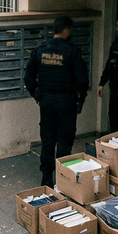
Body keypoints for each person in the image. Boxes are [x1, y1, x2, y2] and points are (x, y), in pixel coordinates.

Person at [24, 16, 90, 187]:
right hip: (66, 102)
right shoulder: (72, 52)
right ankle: (62, 179)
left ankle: (46, 178)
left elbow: (28, 76)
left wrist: (37, 94)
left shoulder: (40, 50)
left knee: (47, 140)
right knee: (64, 141)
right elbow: (82, 80)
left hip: (46, 101)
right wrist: (79, 98)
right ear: (67, 30)